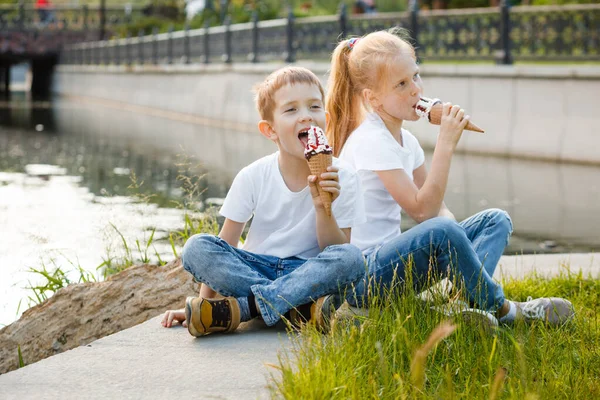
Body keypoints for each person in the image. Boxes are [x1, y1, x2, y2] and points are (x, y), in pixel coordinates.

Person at [325, 29, 574, 326]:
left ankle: (467, 302)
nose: (416, 90)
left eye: (415, 76)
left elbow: (438, 209)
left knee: (496, 220)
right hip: (366, 277)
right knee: (443, 230)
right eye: (401, 84)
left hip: (394, 267)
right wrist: (445, 144)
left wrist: (459, 247)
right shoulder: (371, 141)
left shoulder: (406, 141)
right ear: (373, 99)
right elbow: (422, 211)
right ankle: (506, 310)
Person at [161, 66, 366, 335]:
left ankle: (244, 309)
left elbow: (335, 251)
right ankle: (299, 309)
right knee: (197, 247)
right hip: (254, 265)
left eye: (314, 107)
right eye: (291, 110)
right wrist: (204, 303)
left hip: (307, 273)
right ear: (270, 130)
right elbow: (226, 243)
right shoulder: (253, 176)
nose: (306, 116)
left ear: (325, 118)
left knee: (351, 258)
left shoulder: (344, 177)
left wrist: (322, 207)